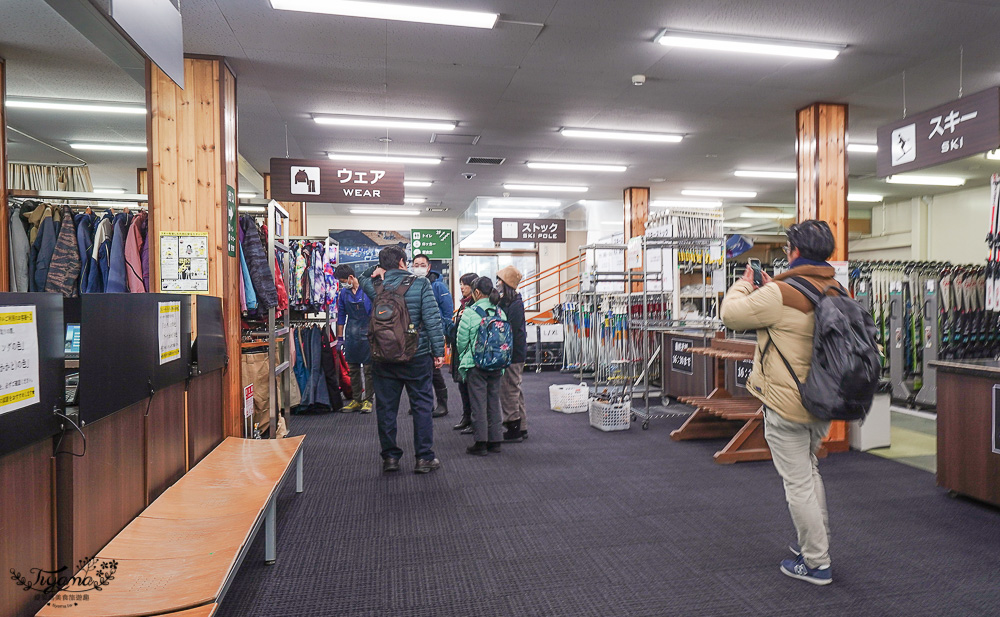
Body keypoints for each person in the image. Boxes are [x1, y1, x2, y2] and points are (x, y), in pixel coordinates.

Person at [720, 220, 840, 586]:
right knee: (809, 472)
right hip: (824, 399)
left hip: (787, 403)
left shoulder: (781, 293)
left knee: (798, 483)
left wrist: (744, 283)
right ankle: (814, 544)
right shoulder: (836, 289)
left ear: (796, 252)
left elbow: (730, 314)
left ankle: (817, 562)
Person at [359, 246, 446, 474]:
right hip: (416, 355)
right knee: (422, 407)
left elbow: (361, 277)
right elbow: (432, 320)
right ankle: (424, 458)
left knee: (386, 409)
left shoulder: (376, 285)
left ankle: (390, 458)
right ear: (401, 262)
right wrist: (439, 351)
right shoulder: (420, 284)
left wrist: (376, 269)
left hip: (383, 358)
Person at [455, 276, 507, 455]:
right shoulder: (500, 312)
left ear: (477, 292)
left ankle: (481, 443)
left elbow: (461, 340)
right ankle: (496, 441)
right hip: (496, 363)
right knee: (493, 401)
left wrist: (464, 357)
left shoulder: (470, 312)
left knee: (478, 404)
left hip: (476, 364)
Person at [412, 253, 453, 417]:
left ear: (428, 267)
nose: (419, 267)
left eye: (422, 264)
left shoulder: (438, 287)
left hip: (433, 334)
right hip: (417, 336)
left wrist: (440, 332)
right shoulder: (413, 284)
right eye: (416, 264)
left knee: (435, 371)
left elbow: (447, 312)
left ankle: (442, 404)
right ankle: (424, 404)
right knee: (421, 371)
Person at [334, 264, 373, 413]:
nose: (343, 283)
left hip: (368, 331)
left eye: (343, 280)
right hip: (351, 332)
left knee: (369, 369)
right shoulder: (344, 293)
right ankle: (356, 399)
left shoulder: (367, 289)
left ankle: (369, 400)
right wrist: (339, 337)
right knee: (353, 368)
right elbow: (341, 316)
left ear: (351, 277)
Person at [496, 266, 528, 442]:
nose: (498, 284)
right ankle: (521, 426)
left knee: (509, 389)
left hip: (512, 353)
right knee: (515, 388)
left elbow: (510, 329)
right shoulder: (513, 301)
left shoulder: (513, 304)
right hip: (515, 352)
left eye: (500, 280)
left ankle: (513, 427)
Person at [451, 273, 479, 431]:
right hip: (460, 352)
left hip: (469, 352)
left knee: (471, 388)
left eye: (465, 284)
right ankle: (466, 417)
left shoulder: (474, 305)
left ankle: (474, 420)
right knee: (462, 386)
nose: (461, 287)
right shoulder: (463, 304)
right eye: (460, 284)